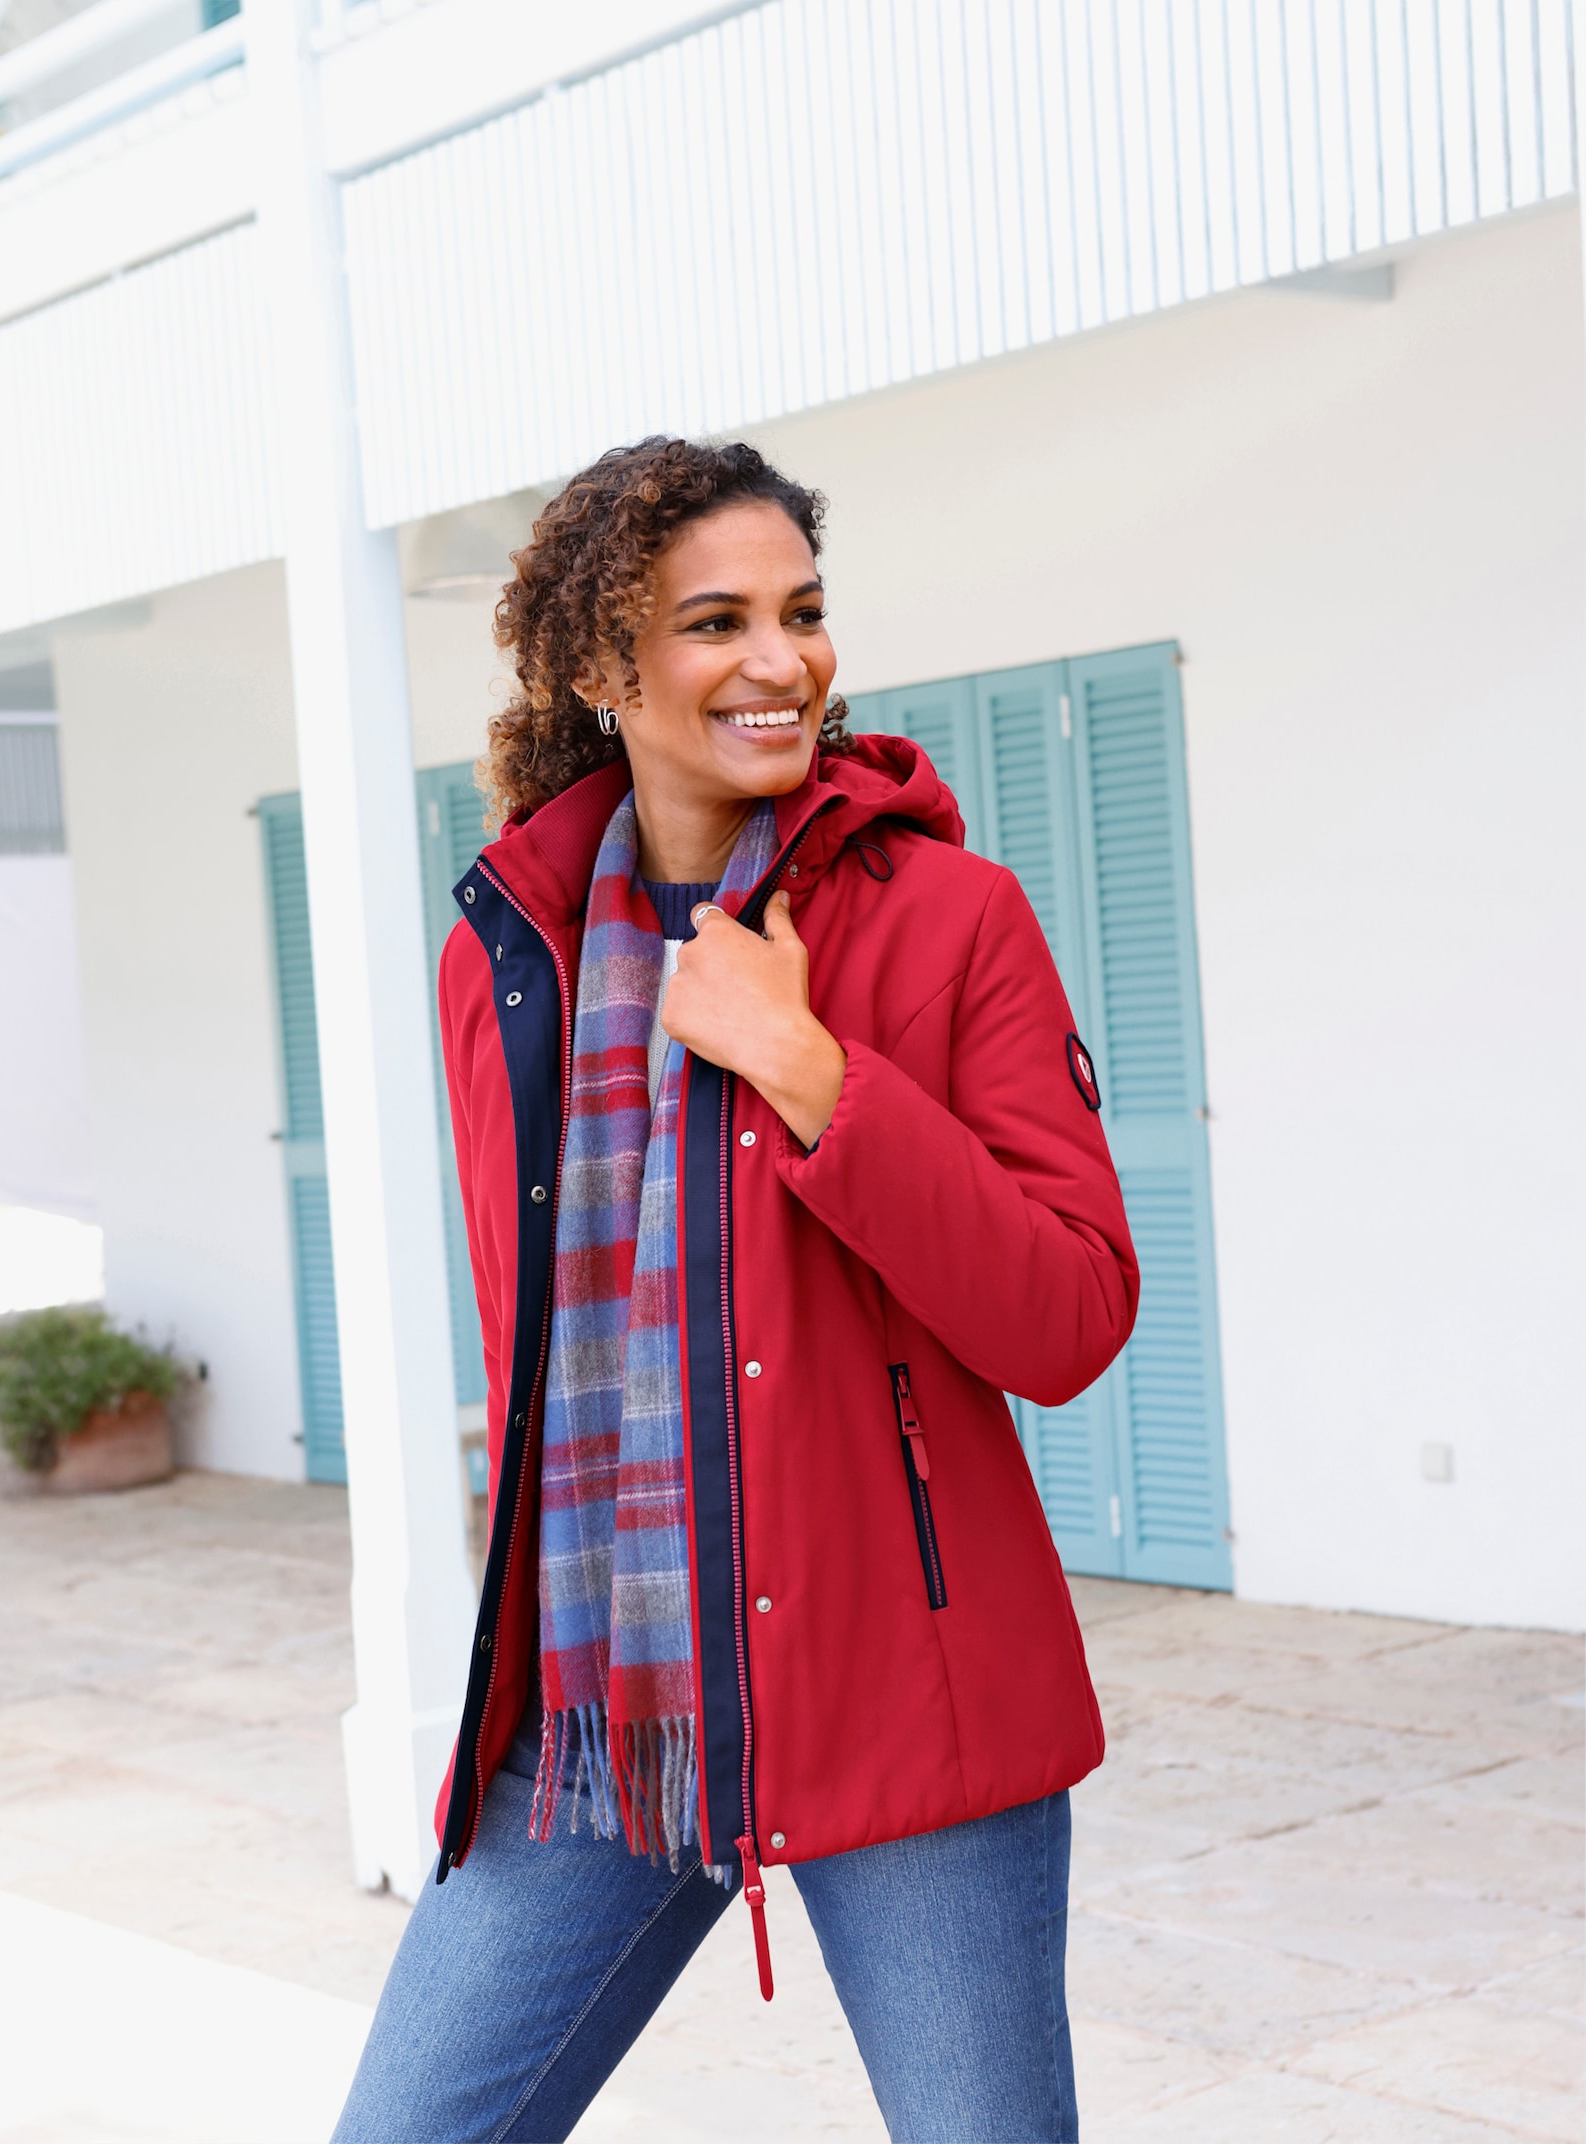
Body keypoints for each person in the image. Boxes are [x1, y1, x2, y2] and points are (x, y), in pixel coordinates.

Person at [332, 436, 1138, 2144]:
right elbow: (547, 1346)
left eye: (805, 612)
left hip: (899, 1698)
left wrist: (815, 1070)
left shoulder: (949, 918)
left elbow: (1070, 1315)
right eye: (718, 621)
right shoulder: (511, 954)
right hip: (602, 1711)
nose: (782, 662)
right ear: (603, 668)